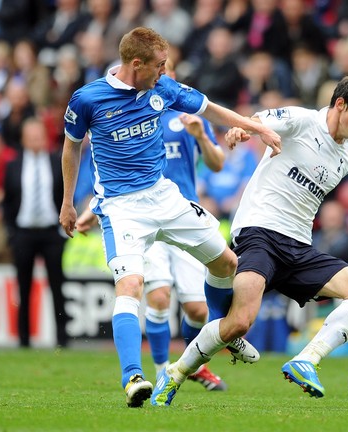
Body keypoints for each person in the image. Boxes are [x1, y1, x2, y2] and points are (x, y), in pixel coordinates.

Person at [58, 27, 281, 409]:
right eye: (160, 65)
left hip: (165, 196)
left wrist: (256, 126)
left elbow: (211, 108)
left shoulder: (163, 89)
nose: (166, 72)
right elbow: (71, 149)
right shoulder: (88, 99)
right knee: (132, 287)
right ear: (136, 63)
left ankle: (221, 330)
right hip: (121, 207)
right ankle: (133, 376)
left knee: (228, 263)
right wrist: (68, 202)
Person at [150, 72, 348, 407]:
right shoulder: (303, 120)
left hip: (298, 246)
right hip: (259, 233)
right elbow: (257, 122)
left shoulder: (346, 157)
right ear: (340, 104)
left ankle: (306, 360)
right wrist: (240, 130)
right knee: (239, 324)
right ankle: (174, 374)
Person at [76, 58, 231, 391]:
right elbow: (115, 173)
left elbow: (217, 164)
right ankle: (163, 370)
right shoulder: (135, 112)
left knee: (197, 309)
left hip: (181, 212)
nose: (163, 76)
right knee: (158, 298)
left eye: (168, 71)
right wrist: (95, 207)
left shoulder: (185, 119)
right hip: (140, 218)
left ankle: (192, 363)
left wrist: (202, 137)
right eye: (160, 70)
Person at [3, 117, 70, 349]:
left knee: (57, 287)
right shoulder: (13, 165)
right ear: (23, 139)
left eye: (39, 136)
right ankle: (23, 341)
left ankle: (62, 339)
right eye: (31, 137)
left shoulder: (57, 161)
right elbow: (8, 202)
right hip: (23, 234)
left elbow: (64, 194)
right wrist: (11, 233)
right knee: (23, 288)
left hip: (51, 233)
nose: (35, 141)